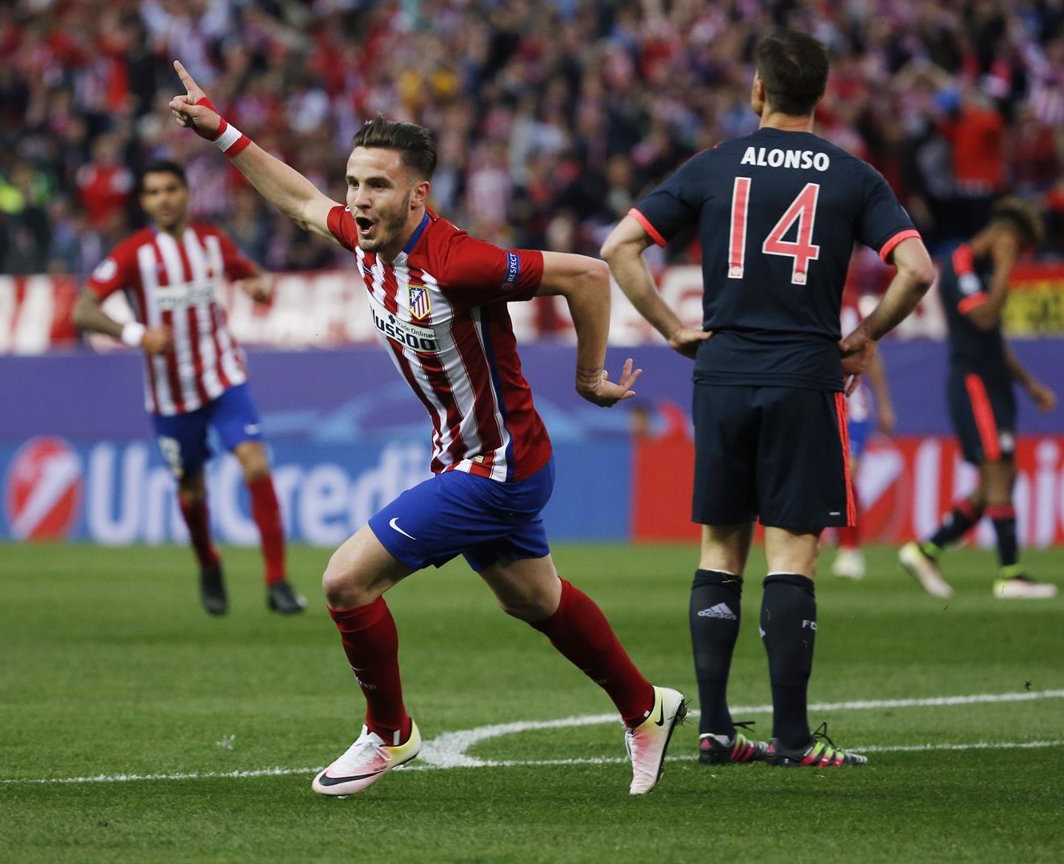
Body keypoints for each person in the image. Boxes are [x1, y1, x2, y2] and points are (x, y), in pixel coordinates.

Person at [169, 60, 686, 798]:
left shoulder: (457, 261)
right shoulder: (363, 239)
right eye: (354, 182)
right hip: (466, 455)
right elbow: (299, 201)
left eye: (376, 185)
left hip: (497, 465)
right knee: (534, 600)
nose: (357, 199)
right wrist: (221, 131)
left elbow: (589, 276)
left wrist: (588, 377)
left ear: (418, 195)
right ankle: (647, 708)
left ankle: (389, 733)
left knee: (346, 581)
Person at [601, 30, 935, 768]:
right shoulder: (853, 176)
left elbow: (619, 246)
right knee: (792, 555)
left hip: (721, 373)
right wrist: (865, 333)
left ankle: (716, 730)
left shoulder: (714, 165)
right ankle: (791, 738)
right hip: (802, 375)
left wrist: (672, 328)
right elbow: (916, 268)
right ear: (822, 97)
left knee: (721, 548)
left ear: (757, 92)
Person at [71, 160, 306, 617]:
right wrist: (137, 334)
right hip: (172, 394)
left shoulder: (212, 243)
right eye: (154, 191)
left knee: (255, 466)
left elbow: (253, 274)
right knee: (193, 490)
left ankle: (277, 580)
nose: (164, 198)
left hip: (224, 377)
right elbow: (83, 310)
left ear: (186, 194)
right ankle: (209, 564)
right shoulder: (132, 254)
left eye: (172, 189)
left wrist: (261, 285)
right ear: (144, 202)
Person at [898, 200, 1058, 600]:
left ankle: (925, 550)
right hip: (974, 385)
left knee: (998, 481)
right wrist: (1007, 267)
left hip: (991, 381)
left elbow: (993, 340)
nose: (1016, 256)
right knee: (999, 473)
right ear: (1004, 236)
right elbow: (984, 319)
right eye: (1017, 247)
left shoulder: (982, 269)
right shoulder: (963, 264)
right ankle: (1010, 574)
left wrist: (1028, 383)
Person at [830, 294, 896, 581]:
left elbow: (873, 356)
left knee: (847, 474)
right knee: (818, 476)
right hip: (815, 399)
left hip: (852, 403)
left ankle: (850, 550)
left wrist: (883, 403)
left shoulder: (851, 307)